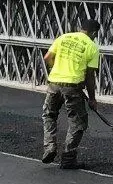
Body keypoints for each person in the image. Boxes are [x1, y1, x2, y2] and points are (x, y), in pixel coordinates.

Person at [41, 16, 101, 168]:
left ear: (81, 28)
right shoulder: (92, 46)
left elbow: (47, 57)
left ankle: (49, 147)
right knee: (78, 122)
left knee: (49, 115)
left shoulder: (63, 37)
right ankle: (68, 158)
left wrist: (57, 69)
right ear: (94, 33)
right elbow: (90, 76)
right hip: (73, 87)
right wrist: (92, 99)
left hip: (54, 84)